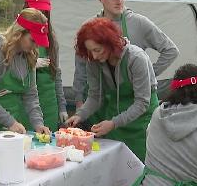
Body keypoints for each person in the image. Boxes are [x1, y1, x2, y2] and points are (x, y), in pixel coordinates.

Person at [72, 0, 179, 113]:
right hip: (104, 102)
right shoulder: (88, 27)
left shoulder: (138, 22)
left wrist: (147, 74)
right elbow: (81, 66)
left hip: (139, 101)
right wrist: (79, 99)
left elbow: (171, 50)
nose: (119, 1)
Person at [65, 17, 158, 162]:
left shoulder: (136, 58)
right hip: (116, 118)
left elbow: (142, 103)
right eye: (90, 51)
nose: (94, 55)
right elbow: (95, 96)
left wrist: (113, 123)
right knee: (116, 164)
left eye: (97, 50)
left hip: (142, 121)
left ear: (110, 43)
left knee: (140, 165)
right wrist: (80, 115)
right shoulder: (93, 61)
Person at [0, 8, 52, 145]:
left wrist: (38, 123)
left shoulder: (29, 57)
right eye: (32, 40)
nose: (35, 46)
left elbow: (30, 94)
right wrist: (10, 122)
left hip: (9, 132)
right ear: (19, 33)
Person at [23, 0, 68, 130]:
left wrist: (62, 107)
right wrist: (30, 65)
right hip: (26, 105)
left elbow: (57, 74)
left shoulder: (52, 40)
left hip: (49, 104)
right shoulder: (18, 38)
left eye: (43, 12)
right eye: (35, 11)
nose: (39, 16)